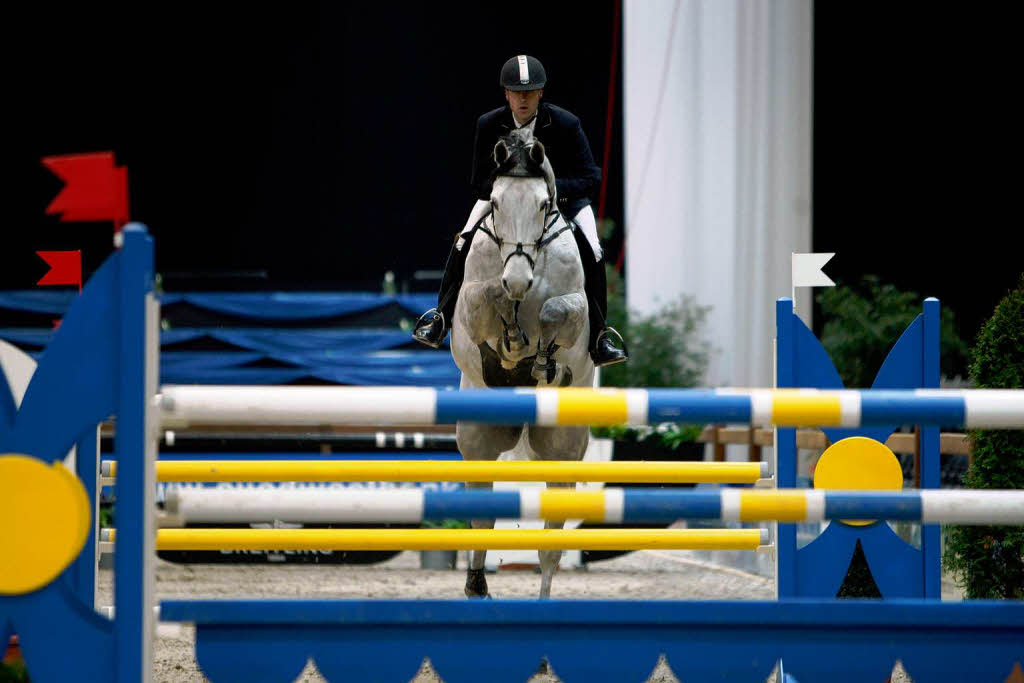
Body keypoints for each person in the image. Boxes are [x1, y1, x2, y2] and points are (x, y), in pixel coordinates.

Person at [412, 54, 628, 367]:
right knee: (464, 240)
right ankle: (440, 318)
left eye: (530, 92)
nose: (523, 98)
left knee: (593, 249)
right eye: (516, 92)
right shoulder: (489, 124)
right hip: (504, 201)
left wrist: (549, 192)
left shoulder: (565, 123)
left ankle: (599, 335)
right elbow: (478, 183)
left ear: (541, 93)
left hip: (563, 203)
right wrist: (513, 193)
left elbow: (590, 176)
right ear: (506, 94)